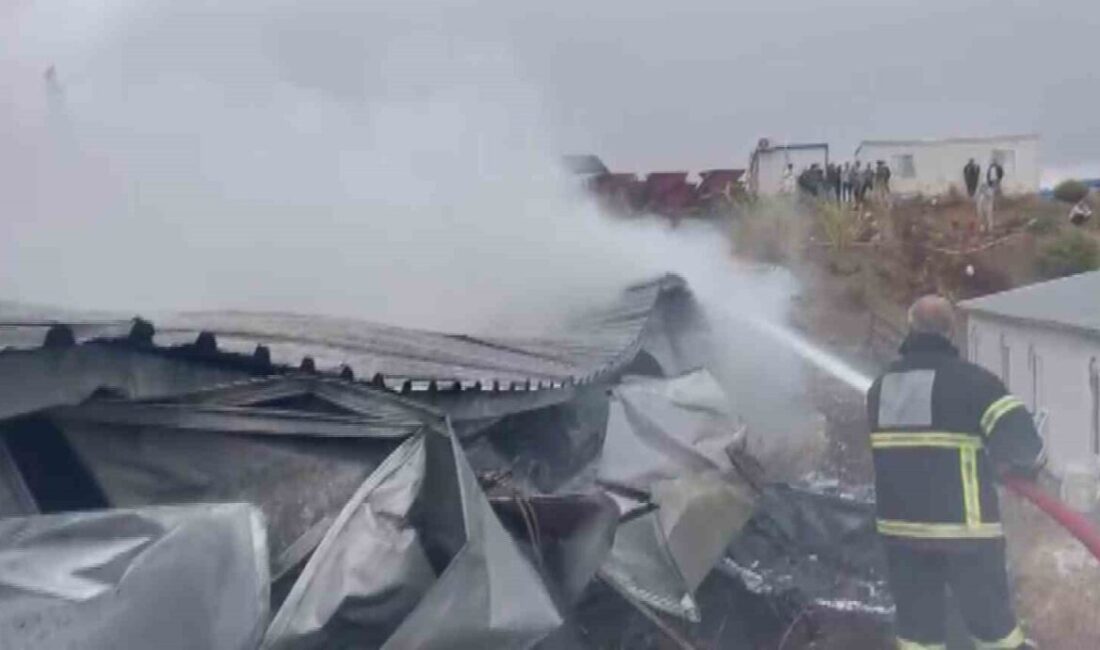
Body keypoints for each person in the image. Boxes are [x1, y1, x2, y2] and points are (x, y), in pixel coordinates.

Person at [866, 296, 1043, 650]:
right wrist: (1012, 467)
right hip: (966, 534)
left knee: (918, 636)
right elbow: (1027, 448)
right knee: (995, 632)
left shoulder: (880, 388)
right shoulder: (975, 383)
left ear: (910, 326)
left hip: (901, 535)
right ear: (952, 332)